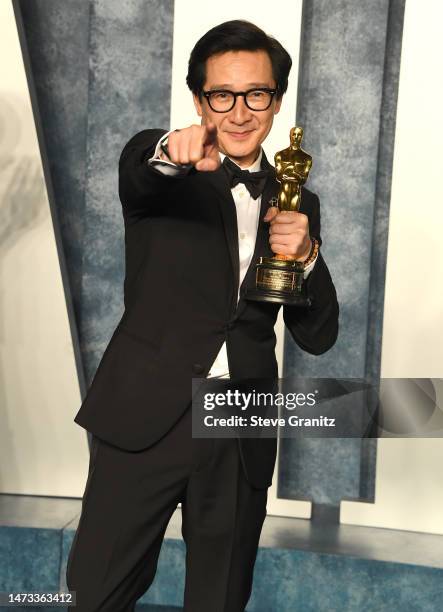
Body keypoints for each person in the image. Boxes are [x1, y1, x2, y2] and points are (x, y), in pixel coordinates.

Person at [66, 19, 339, 612]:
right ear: (199, 99)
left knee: (219, 600)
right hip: (145, 417)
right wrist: (171, 150)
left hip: (240, 422)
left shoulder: (298, 199)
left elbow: (318, 338)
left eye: (256, 95)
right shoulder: (163, 173)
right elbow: (143, 169)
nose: (239, 113)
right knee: (93, 594)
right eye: (222, 95)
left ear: (276, 101)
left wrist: (308, 256)